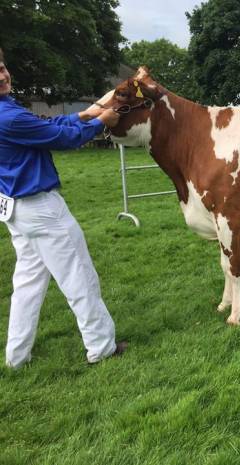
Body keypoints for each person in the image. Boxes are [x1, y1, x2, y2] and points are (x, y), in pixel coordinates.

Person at [0, 48, 126, 368]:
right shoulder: (9, 116)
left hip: (16, 210)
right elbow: (60, 137)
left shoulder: (8, 111)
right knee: (79, 276)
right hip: (42, 209)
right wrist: (101, 121)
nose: (3, 75)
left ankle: (16, 357)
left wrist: (82, 115)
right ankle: (101, 346)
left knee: (27, 284)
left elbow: (44, 124)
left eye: (1, 67)